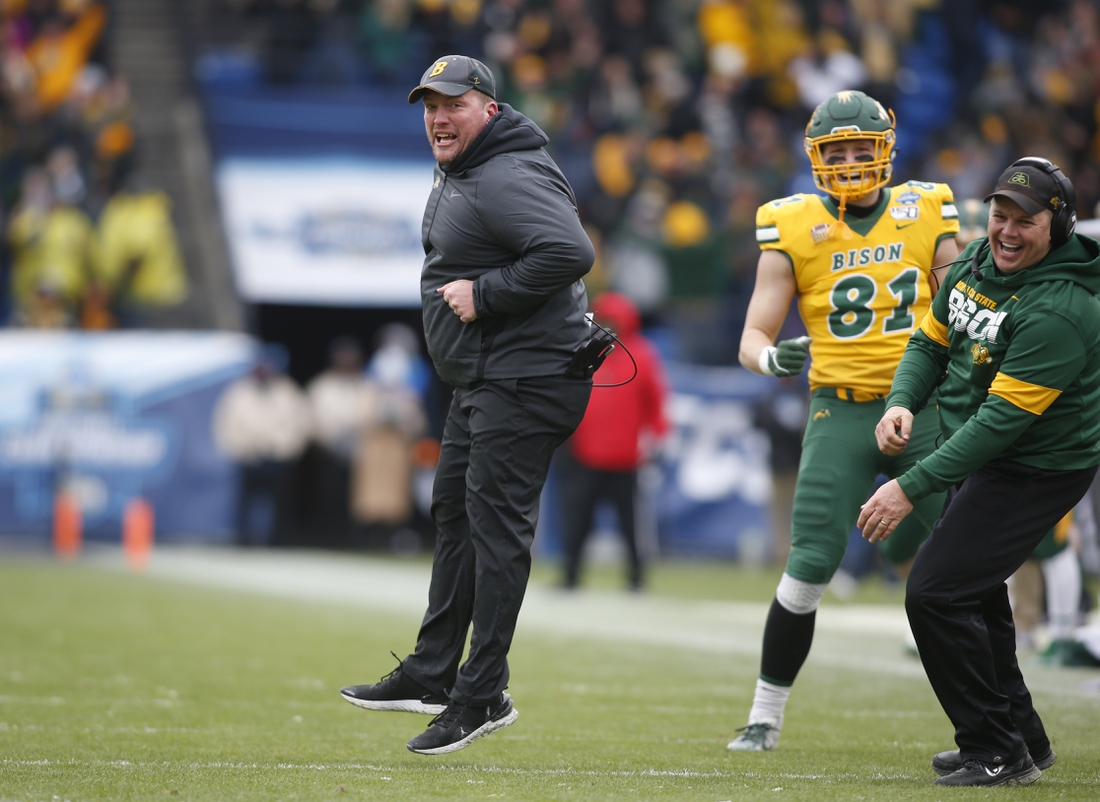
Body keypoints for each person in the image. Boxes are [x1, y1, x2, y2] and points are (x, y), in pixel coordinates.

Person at [339, 55, 596, 755]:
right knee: (452, 511)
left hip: (527, 378)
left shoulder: (505, 171)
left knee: (494, 531)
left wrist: (486, 294)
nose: (438, 118)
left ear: (487, 106)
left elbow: (570, 250)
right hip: (486, 375)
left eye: (452, 104)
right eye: (429, 106)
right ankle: (432, 670)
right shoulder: (471, 167)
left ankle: (481, 696)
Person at [727, 90, 960, 752]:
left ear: (885, 150)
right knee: (808, 567)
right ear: (816, 158)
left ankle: (990, 718)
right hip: (841, 410)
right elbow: (751, 336)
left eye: (864, 149)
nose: (853, 161)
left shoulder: (925, 210)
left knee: (934, 560)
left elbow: (963, 304)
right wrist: (773, 357)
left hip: (923, 408)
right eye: (839, 152)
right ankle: (765, 715)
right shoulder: (793, 224)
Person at [859, 157, 1100, 787]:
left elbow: (1000, 423)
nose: (1008, 230)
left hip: (1035, 465)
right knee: (975, 593)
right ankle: (1020, 736)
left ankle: (995, 748)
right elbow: (929, 341)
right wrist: (902, 401)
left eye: (1027, 219)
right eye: (1000, 215)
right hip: (988, 451)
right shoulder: (972, 263)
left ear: (1060, 225)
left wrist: (908, 486)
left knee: (935, 593)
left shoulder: (1062, 309)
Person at [558, 290, 669, 591]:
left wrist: (658, 437)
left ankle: (636, 578)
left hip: (625, 458)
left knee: (630, 526)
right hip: (585, 454)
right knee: (577, 522)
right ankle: (570, 577)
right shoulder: (587, 350)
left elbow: (656, 404)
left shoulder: (642, 356)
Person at [212, 345, 313, 546]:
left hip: (277, 457)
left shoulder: (287, 391)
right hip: (249, 456)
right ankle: (242, 540)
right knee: (245, 501)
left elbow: (301, 424)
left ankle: (279, 540)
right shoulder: (240, 392)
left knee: (281, 502)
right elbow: (226, 424)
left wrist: (286, 449)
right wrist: (240, 448)